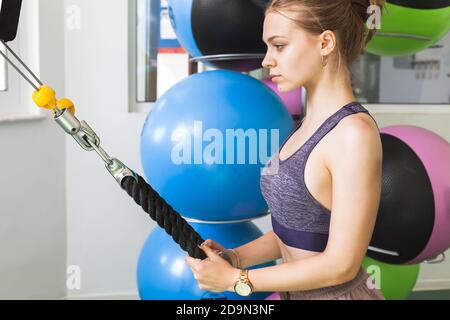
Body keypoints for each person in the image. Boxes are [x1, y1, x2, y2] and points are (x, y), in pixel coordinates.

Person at [185, 0, 385, 300]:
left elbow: (341, 265)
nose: (267, 60)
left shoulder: (353, 134)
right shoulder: (306, 126)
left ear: (325, 42)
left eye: (279, 45)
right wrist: (234, 258)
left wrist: (236, 280)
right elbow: (293, 232)